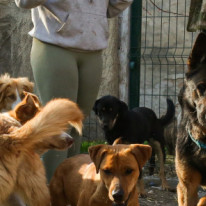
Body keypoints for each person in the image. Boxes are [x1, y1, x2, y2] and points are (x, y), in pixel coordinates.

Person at [15, 0, 134, 180]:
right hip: (54, 45)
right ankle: (47, 194)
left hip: (93, 48)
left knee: (77, 123)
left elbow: (113, 7)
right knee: (58, 124)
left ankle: (70, 191)